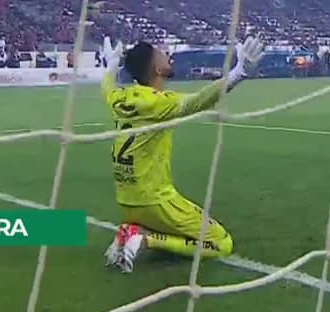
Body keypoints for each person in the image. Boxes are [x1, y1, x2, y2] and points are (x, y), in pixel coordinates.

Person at [101, 34, 265, 273]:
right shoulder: (160, 103)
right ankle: (144, 239)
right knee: (221, 243)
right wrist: (239, 72)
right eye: (163, 55)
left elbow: (107, 85)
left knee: (176, 228)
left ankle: (132, 232)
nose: (168, 56)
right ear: (157, 69)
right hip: (156, 201)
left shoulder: (120, 98)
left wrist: (112, 64)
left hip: (126, 201)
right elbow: (200, 100)